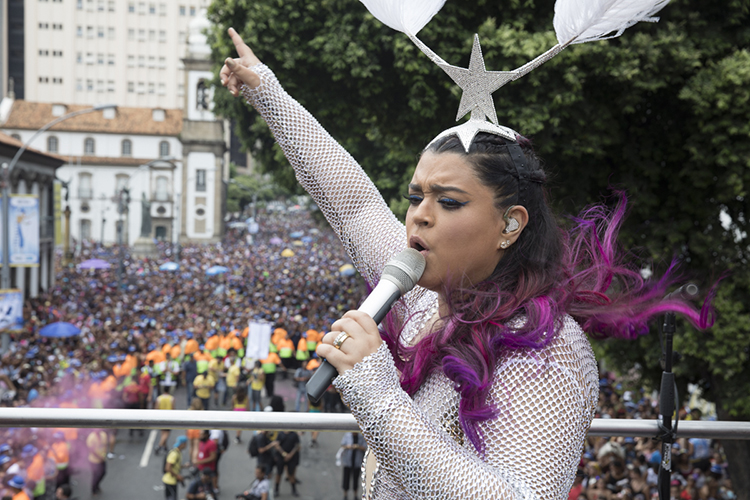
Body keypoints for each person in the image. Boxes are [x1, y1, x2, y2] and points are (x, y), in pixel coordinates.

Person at [220, 21, 713, 500]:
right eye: (415, 198)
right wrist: (268, 91)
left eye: (449, 202)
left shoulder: (547, 348)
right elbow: (354, 206)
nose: (419, 219)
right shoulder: (419, 299)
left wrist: (378, 395)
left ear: (511, 223)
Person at [339, 432, 366, 500]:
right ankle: (345, 495)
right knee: (346, 479)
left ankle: (355, 495)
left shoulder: (361, 436)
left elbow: (365, 447)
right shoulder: (347, 435)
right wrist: (349, 446)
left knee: (355, 480)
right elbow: (343, 445)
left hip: (357, 461)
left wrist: (358, 446)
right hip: (348, 461)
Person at [163, 436, 189, 500]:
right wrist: (178, 476)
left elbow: (175, 465)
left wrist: (183, 466)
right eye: (186, 443)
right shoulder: (174, 454)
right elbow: (168, 468)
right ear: (183, 444)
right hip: (170, 481)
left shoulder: (178, 452)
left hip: (172, 481)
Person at [86, 429, 110, 495]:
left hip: (102, 458)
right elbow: (91, 450)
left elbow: (105, 445)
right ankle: (94, 489)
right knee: (96, 475)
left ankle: (97, 485)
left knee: (103, 473)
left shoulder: (103, 435)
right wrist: (100, 457)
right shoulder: (91, 437)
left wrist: (104, 455)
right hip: (94, 460)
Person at [155, 386, 175, 455]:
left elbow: (156, 408)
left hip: (161, 416)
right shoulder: (171, 398)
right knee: (166, 433)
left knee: (163, 433)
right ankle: (159, 446)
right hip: (168, 417)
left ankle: (165, 447)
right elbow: (173, 408)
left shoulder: (159, 398)